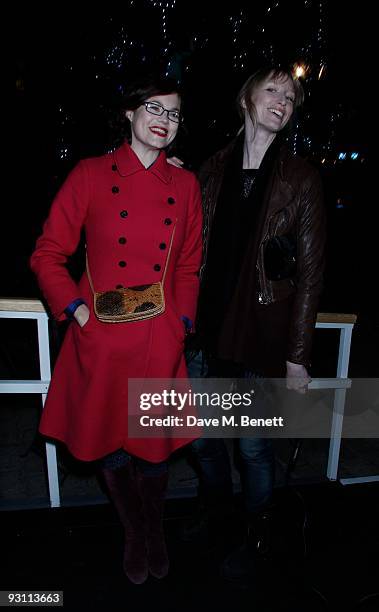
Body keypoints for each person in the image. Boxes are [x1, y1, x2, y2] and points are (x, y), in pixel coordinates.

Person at [30, 74, 203, 584]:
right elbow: (46, 254)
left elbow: (190, 267)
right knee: (108, 444)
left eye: (173, 113)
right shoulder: (89, 173)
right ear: (129, 113)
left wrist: (182, 322)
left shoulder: (185, 184)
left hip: (158, 339)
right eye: (154, 108)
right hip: (101, 339)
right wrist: (78, 313)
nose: (163, 120)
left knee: (152, 448)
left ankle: (154, 530)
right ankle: (133, 532)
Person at [186, 65, 326, 582]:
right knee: (200, 440)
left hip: (260, 335)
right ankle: (217, 514)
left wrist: (297, 357)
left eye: (291, 98)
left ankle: (259, 529)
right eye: (273, 90)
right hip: (203, 328)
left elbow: (311, 276)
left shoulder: (301, 176)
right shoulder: (211, 168)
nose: (283, 102)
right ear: (245, 98)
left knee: (252, 445)